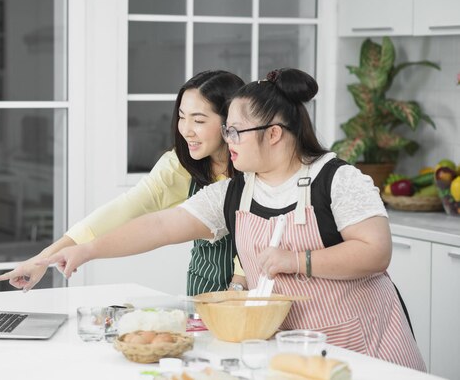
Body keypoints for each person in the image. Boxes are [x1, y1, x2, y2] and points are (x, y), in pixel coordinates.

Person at [44, 68, 426, 371]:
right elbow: (161, 226)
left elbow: (376, 252)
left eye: (235, 131)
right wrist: (87, 250)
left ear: (274, 134)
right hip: (293, 352)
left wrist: (298, 261)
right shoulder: (237, 191)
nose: (228, 141)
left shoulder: (337, 179)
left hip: (366, 350)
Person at [0, 70, 247, 295]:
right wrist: (42, 259)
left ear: (229, 123)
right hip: (202, 294)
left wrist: (237, 289)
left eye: (199, 120)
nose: (186, 129)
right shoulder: (180, 165)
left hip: (250, 298)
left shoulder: (253, 172)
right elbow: (125, 210)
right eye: (182, 116)